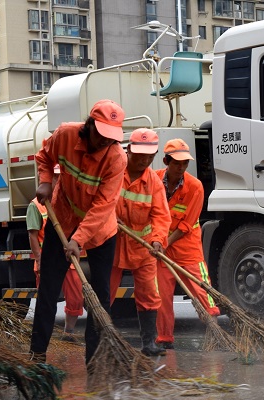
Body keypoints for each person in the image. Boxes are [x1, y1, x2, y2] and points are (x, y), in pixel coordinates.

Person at [30, 99, 127, 365]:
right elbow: (44, 156)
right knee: (48, 289)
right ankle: (37, 354)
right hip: (61, 218)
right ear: (90, 125)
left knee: (100, 296)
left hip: (100, 231)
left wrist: (78, 240)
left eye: (111, 138)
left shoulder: (117, 158)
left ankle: (95, 359)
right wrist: (46, 182)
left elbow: (103, 206)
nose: (104, 142)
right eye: (101, 135)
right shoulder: (65, 134)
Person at [109, 128, 170, 357]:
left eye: (149, 157)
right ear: (128, 150)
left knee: (148, 294)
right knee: (105, 292)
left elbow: (161, 216)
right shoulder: (114, 172)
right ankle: (101, 339)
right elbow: (100, 198)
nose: (144, 161)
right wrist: (109, 216)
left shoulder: (153, 182)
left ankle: (149, 343)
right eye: (139, 155)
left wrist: (156, 240)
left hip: (142, 245)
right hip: (112, 242)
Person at [155, 138, 220, 349]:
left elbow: (187, 224)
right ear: (166, 161)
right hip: (160, 249)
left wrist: (166, 242)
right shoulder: (154, 180)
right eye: (176, 163)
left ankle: (214, 329)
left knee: (201, 289)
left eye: (185, 163)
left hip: (187, 248)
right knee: (161, 297)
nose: (181, 167)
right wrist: (158, 242)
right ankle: (164, 339)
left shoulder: (195, 187)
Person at [27, 164, 84, 341]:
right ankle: (45, 337)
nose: (58, 180)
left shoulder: (70, 201)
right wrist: (39, 259)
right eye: (55, 177)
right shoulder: (36, 205)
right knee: (47, 299)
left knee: (76, 298)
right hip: (47, 258)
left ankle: (68, 332)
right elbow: (33, 235)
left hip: (69, 256)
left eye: (61, 177)